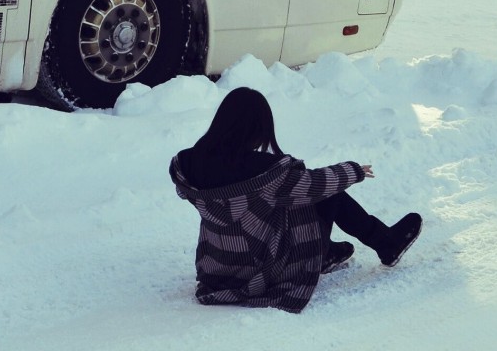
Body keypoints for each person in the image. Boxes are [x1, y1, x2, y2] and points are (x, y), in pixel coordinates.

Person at [170, 87, 423, 313]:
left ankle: (325, 254)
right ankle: (385, 243)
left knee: (280, 204)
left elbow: (217, 199)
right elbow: (314, 185)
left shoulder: (187, 165)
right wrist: (353, 170)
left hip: (218, 268)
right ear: (256, 129)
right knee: (327, 195)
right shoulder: (266, 172)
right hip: (263, 268)